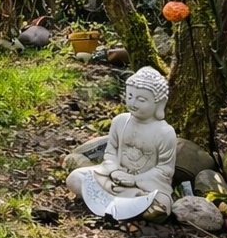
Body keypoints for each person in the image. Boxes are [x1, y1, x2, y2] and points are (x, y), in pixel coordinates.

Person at [66, 66, 177, 220]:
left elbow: (165, 169)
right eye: (130, 96)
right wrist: (114, 171)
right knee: (75, 178)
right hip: (114, 180)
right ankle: (129, 207)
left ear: (160, 103)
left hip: (145, 185)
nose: (133, 103)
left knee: (161, 204)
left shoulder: (165, 132)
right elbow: (110, 153)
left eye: (141, 99)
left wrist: (135, 180)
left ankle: (129, 202)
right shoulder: (120, 121)